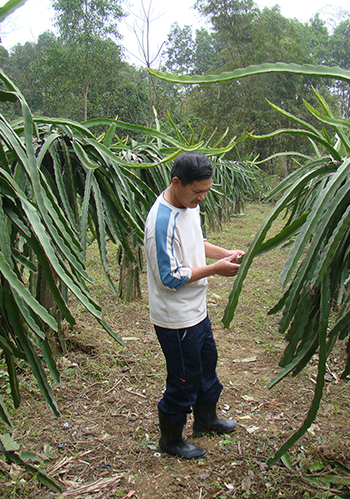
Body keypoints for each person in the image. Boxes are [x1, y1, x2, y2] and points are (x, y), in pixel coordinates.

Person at [144, 152, 245, 459]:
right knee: (184, 379)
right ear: (177, 182)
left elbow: (196, 242)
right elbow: (170, 278)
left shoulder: (188, 204)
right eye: (197, 192)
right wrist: (217, 269)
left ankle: (206, 420)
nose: (201, 198)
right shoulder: (161, 223)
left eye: (205, 192)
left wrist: (223, 253)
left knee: (206, 366)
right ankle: (171, 440)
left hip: (196, 311)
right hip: (176, 320)